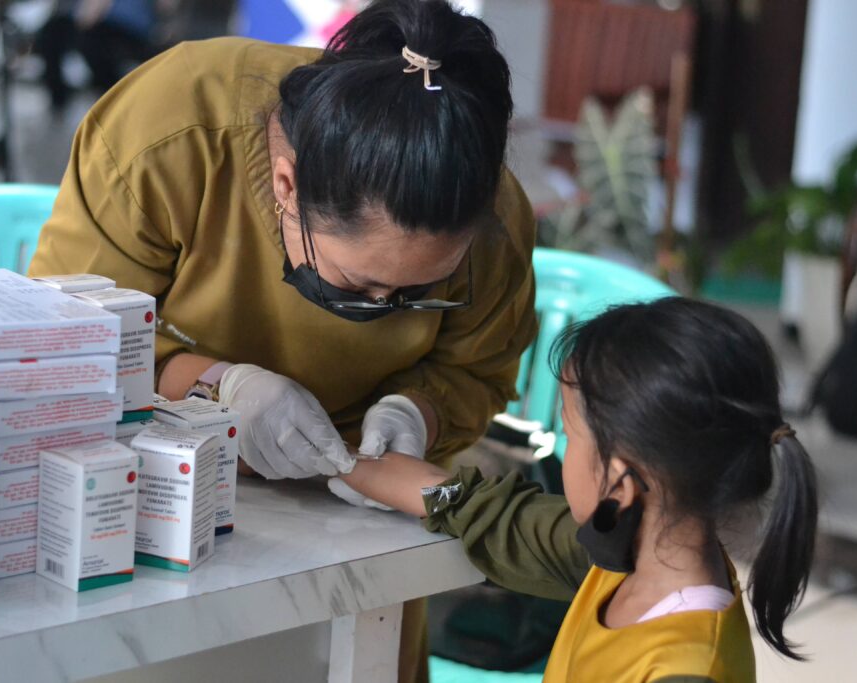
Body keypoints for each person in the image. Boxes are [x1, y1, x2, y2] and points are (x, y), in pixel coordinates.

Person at [27, 1, 537, 680]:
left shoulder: (489, 213)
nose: (386, 311)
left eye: (419, 294)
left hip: (357, 549)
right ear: (287, 186)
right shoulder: (172, 133)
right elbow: (64, 343)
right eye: (357, 287)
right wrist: (215, 388)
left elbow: (478, 368)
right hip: (141, 513)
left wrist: (421, 411)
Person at [337, 297, 820, 682]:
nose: (564, 451)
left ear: (620, 481)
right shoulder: (631, 558)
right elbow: (488, 512)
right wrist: (338, 461)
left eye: (569, 434)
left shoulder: (684, 668)